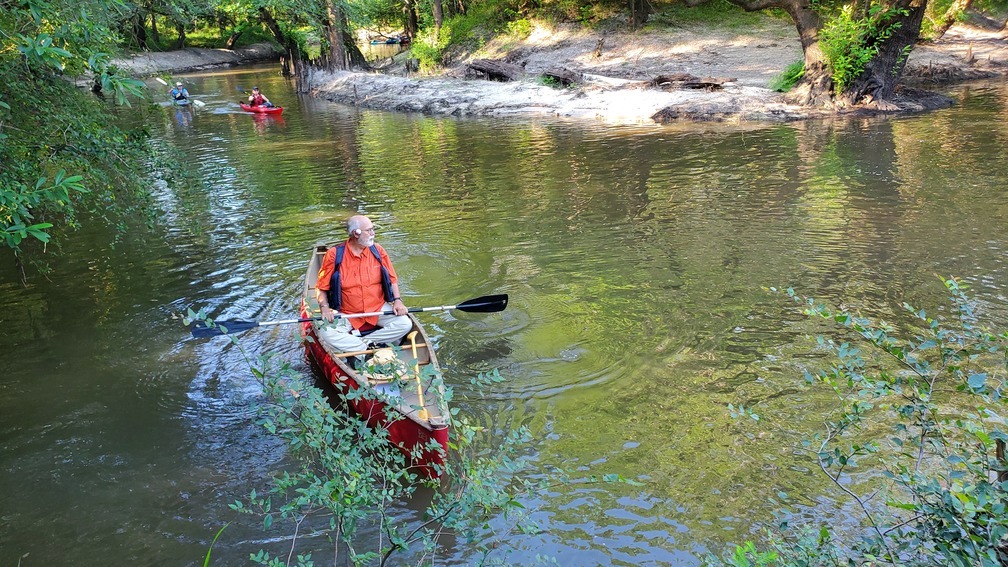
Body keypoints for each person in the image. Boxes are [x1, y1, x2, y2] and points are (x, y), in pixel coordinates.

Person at [315, 215, 411, 365]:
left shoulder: (378, 251)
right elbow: (321, 287)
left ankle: (366, 343)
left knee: (405, 324)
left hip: (376, 308)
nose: (373, 233)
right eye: (369, 230)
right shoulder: (334, 254)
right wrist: (325, 308)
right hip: (347, 312)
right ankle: (365, 348)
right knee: (326, 333)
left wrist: (398, 301)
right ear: (356, 233)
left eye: (373, 229)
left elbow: (392, 279)